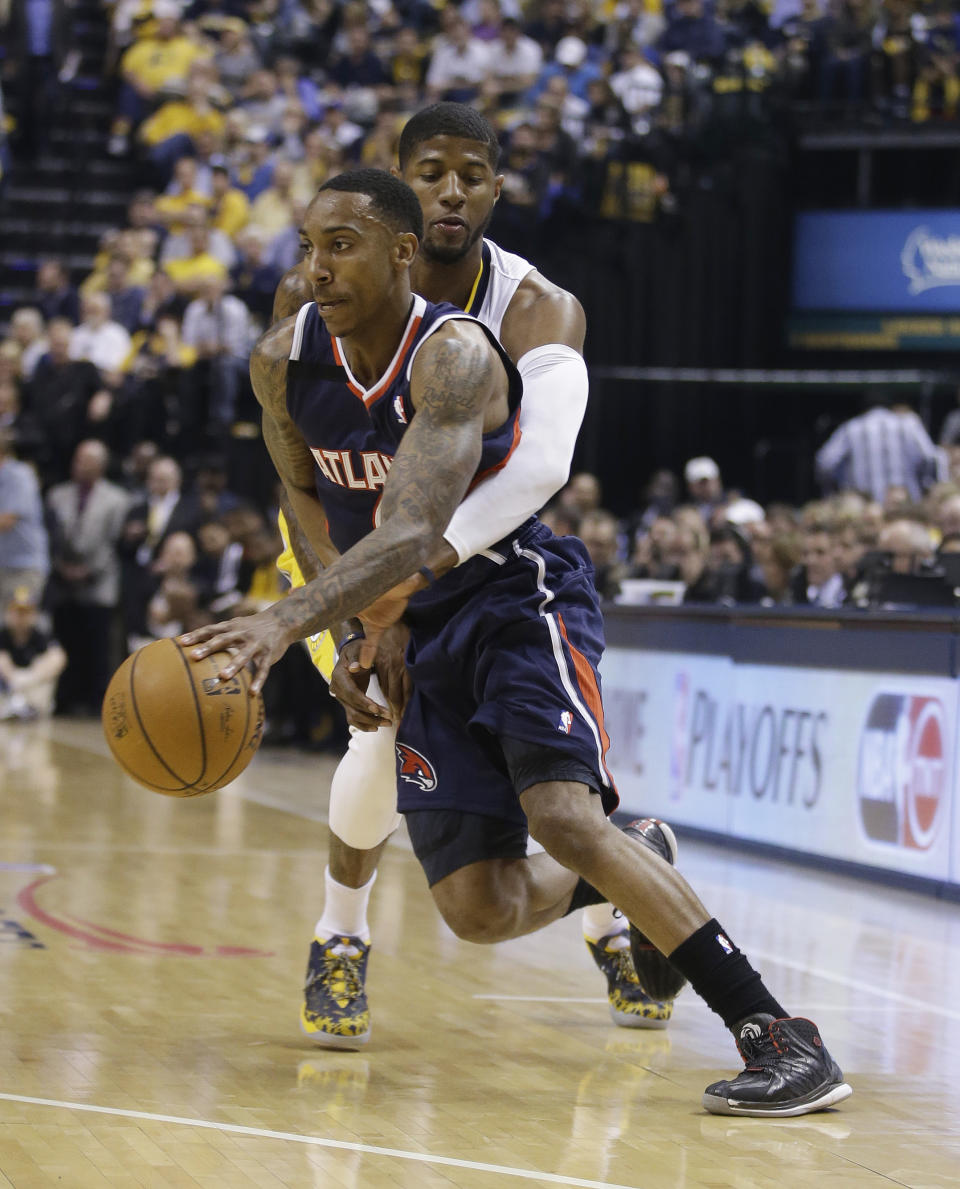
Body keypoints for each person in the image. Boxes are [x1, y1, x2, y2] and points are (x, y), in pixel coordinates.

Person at [182, 168, 851, 1118]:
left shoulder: (454, 356)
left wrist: (284, 618)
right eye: (308, 247)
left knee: (561, 817)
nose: (318, 268)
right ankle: (634, 853)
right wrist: (352, 626)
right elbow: (304, 496)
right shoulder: (280, 361)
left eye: (343, 246)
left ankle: (779, 1034)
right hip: (401, 613)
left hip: (506, 595)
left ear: (403, 252)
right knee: (478, 909)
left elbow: (415, 530)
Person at [268, 103, 674, 1046]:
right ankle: (341, 935)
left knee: (550, 790)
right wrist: (360, 604)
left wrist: (412, 578)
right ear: (400, 184)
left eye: (473, 174)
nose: (452, 189)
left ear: (497, 188)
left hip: (473, 552)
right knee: (372, 731)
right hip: (346, 534)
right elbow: (297, 467)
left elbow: (539, 468)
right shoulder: (320, 288)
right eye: (432, 170)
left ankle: (615, 895)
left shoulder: (536, 307)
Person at [815, 396, 945, 505]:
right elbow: (931, 458)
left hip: (865, 508)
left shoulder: (851, 427)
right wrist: (924, 488)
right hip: (904, 506)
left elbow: (825, 463)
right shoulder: (908, 424)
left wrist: (836, 491)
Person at [0, 588, 66, 721]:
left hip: (31, 685)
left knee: (50, 661)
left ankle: (27, 706)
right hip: (7, 686)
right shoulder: (3, 635)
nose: (21, 617)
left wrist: (29, 677)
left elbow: (58, 657)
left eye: (26, 612)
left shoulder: (40, 636)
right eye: (17, 612)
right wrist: (13, 677)